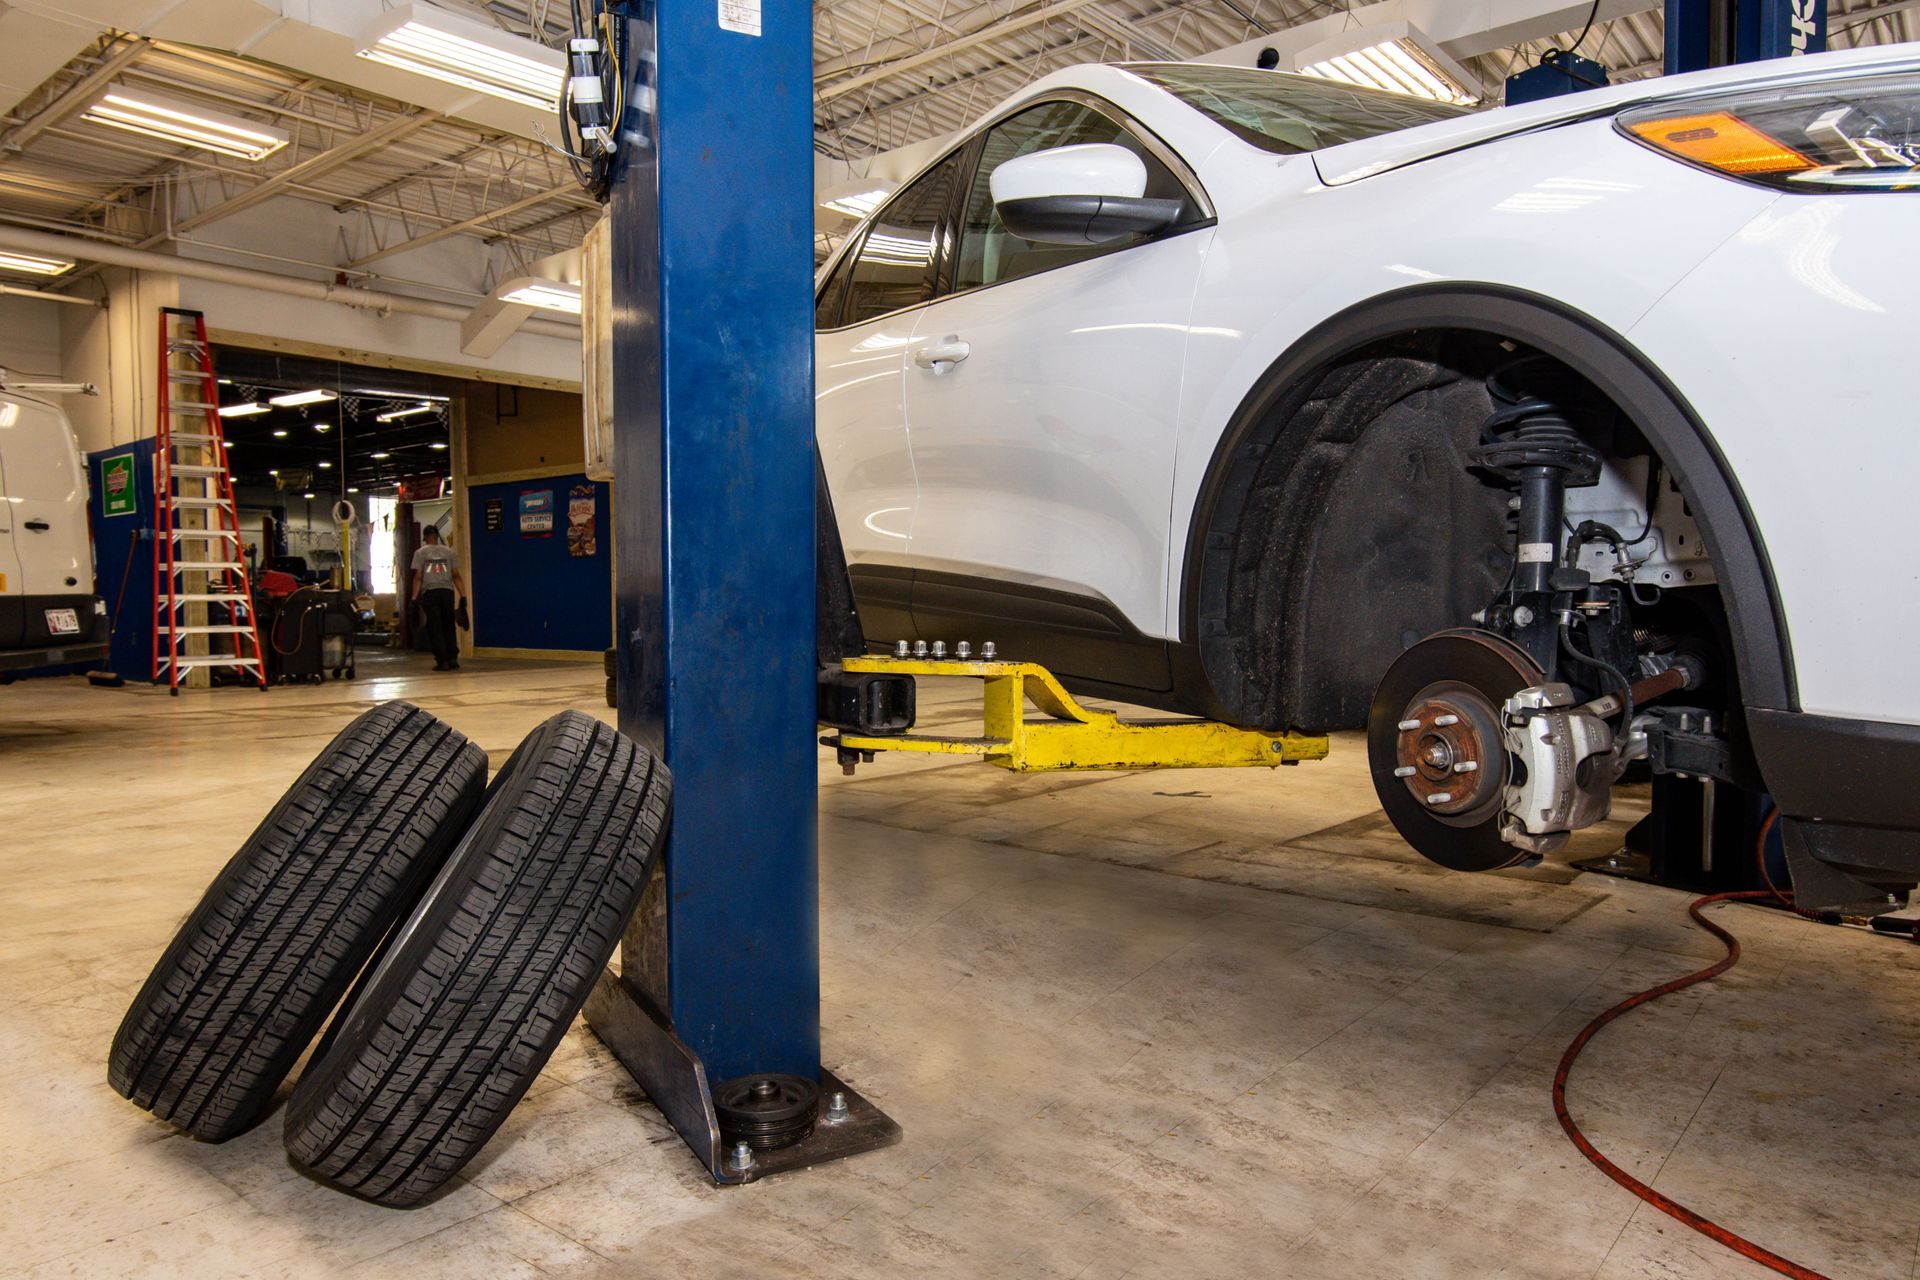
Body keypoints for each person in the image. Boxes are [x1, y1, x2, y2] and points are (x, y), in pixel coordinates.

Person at [409, 526, 467, 671]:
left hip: (431, 593)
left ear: (425, 537)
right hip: (447, 593)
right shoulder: (449, 552)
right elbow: (456, 575)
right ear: (436, 535)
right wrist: (463, 595)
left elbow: (418, 577)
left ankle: (442, 661)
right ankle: (453, 658)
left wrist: (414, 597)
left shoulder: (420, 553)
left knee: (435, 627)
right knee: (449, 625)